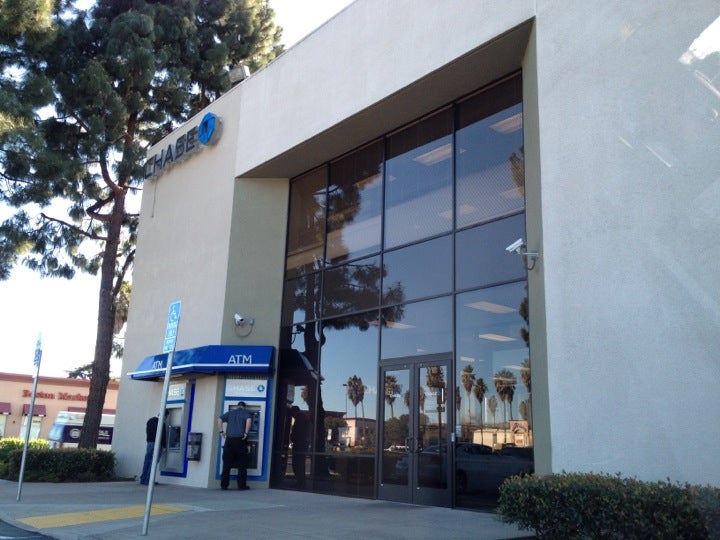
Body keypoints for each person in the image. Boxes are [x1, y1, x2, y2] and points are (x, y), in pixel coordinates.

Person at [217, 401, 253, 490]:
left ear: (237, 406)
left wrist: (221, 431)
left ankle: (224, 485)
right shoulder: (246, 413)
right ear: (244, 407)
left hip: (229, 441)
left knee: (226, 464)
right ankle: (241, 486)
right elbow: (249, 420)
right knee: (242, 465)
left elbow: (219, 419)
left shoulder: (230, 413)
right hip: (240, 440)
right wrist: (246, 433)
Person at [140, 409, 168, 485]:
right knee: (153, 462)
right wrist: (164, 446)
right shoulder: (161, 423)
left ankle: (143, 479)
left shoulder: (150, 421)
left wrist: (148, 441)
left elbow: (147, 432)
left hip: (149, 443)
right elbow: (163, 435)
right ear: (165, 416)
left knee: (147, 461)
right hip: (157, 444)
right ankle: (149, 480)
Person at [289, 406, 309, 488]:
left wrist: (293, 437)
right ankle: (301, 482)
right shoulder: (303, 418)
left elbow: (298, 432)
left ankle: (300, 483)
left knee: (298, 464)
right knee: (300, 464)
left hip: (299, 445)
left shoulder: (300, 419)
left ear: (294, 412)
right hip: (302, 445)